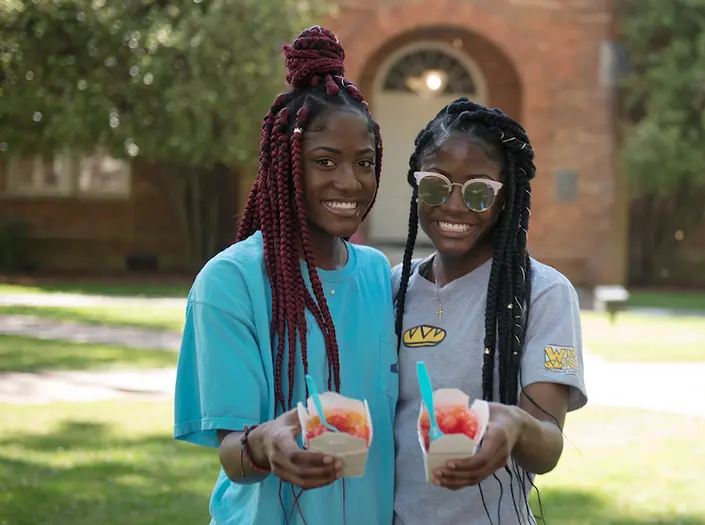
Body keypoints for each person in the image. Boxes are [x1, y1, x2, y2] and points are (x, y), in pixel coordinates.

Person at [173, 26, 398, 525]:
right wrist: (265, 444)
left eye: (365, 162)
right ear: (286, 166)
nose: (350, 181)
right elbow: (232, 451)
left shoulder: (379, 275)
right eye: (325, 161)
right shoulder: (230, 282)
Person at [391, 98, 588, 525]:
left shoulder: (541, 293)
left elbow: (548, 446)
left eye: (479, 191)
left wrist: (516, 425)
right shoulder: (392, 288)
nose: (455, 206)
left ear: (506, 198)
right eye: (435, 186)